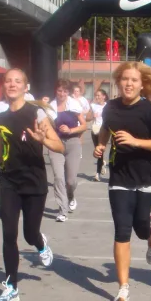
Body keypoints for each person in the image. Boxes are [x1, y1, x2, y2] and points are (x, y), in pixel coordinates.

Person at [0, 68, 65, 301]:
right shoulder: (1, 118)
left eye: (17, 81)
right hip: (9, 181)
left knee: (29, 234)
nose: (12, 84)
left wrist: (43, 140)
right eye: (8, 81)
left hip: (34, 181)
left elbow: (59, 146)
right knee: (9, 234)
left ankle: (40, 244)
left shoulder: (36, 113)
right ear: (3, 86)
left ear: (25, 87)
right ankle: (11, 287)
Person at [93, 61, 151, 301]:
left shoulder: (150, 110)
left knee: (141, 227)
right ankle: (123, 288)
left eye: (134, 80)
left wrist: (136, 142)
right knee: (122, 230)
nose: (129, 84)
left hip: (147, 178)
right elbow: (106, 129)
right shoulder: (111, 107)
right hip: (119, 178)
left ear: (141, 85)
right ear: (118, 82)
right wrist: (101, 145)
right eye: (125, 79)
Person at [50, 80, 87, 222]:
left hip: (73, 142)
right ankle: (62, 210)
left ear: (68, 92)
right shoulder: (50, 107)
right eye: (59, 90)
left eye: (65, 91)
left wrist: (70, 130)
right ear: (55, 91)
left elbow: (83, 125)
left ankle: (71, 196)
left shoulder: (74, 105)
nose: (62, 94)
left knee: (70, 181)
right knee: (58, 177)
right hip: (56, 143)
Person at [89, 89, 109, 181]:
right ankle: (102, 163)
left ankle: (97, 174)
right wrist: (92, 116)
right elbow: (87, 118)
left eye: (99, 95)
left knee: (100, 151)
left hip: (104, 130)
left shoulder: (108, 106)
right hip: (95, 130)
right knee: (98, 151)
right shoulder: (93, 106)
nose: (97, 97)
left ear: (104, 96)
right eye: (96, 95)